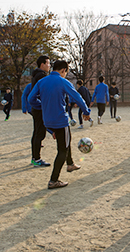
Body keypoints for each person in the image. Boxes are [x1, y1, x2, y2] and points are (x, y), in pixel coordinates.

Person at [28, 60, 91, 189]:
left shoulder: (42, 81)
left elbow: (30, 99)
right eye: (66, 72)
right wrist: (86, 111)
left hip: (47, 121)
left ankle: (70, 163)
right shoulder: (63, 82)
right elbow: (77, 97)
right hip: (60, 121)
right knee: (63, 149)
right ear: (63, 70)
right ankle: (54, 180)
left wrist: (42, 106)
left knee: (66, 141)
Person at [30, 56, 51, 167]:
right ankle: (37, 159)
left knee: (36, 133)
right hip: (39, 108)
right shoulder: (41, 76)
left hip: (36, 108)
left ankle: (34, 158)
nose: (49, 65)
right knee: (39, 134)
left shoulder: (36, 75)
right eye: (48, 63)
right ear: (42, 64)